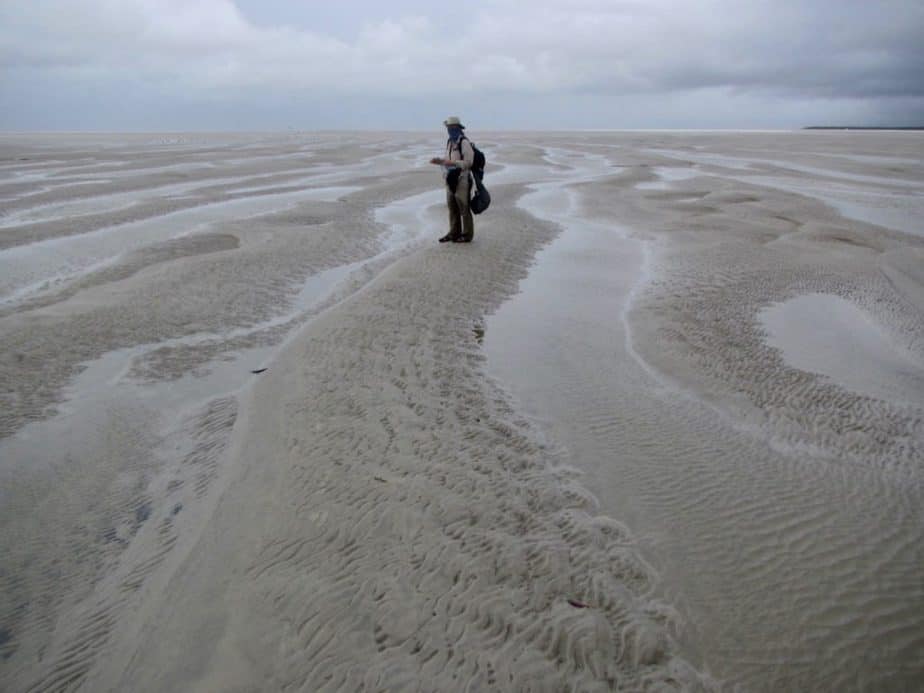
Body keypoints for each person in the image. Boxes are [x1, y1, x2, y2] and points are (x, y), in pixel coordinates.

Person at [429, 116, 474, 243]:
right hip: (450, 179)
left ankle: (467, 235)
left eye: (451, 128)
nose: (449, 130)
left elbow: (469, 162)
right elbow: (447, 160)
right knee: (452, 207)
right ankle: (454, 232)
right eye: (448, 128)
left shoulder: (464, 142)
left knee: (464, 208)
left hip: (462, 180)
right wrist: (441, 162)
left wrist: (452, 163)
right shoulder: (449, 142)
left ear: (457, 128)